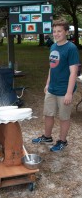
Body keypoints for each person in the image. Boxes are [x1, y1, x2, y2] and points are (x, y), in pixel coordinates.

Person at [32, 18, 80, 152]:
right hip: (52, 89)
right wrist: (47, 84)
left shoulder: (71, 48)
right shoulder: (53, 46)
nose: (56, 34)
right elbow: (51, 67)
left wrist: (69, 93)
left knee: (64, 117)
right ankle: (47, 137)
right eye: (54, 31)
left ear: (66, 32)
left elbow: (73, 72)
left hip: (64, 90)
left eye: (59, 31)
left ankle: (62, 141)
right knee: (48, 114)